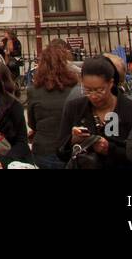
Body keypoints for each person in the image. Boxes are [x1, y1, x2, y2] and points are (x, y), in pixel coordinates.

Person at [56, 57, 132, 169]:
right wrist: (72, 140)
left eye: (100, 90)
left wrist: (109, 149)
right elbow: (60, 153)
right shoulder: (74, 107)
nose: (93, 96)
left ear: (111, 83)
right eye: (88, 90)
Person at [26, 40, 78, 170]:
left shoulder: (33, 91)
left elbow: (32, 123)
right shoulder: (76, 89)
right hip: (68, 149)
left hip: (43, 150)